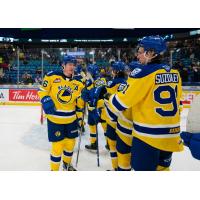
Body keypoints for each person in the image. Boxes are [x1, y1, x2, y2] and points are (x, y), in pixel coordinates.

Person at [94, 36, 184, 171]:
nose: (137, 54)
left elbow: (120, 103)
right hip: (171, 135)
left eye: (141, 51)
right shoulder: (175, 73)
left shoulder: (142, 73)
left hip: (148, 137)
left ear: (151, 53)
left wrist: (106, 96)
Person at [38, 55, 84, 171]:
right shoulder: (51, 76)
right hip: (55, 120)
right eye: (69, 64)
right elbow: (42, 91)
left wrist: (84, 101)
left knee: (70, 145)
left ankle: (67, 165)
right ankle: (54, 170)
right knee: (57, 147)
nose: (71, 67)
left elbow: (79, 102)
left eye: (73, 64)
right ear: (63, 65)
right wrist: (46, 100)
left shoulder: (78, 81)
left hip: (71, 119)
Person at [81, 64, 107, 151]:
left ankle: (107, 143)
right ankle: (96, 143)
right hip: (95, 108)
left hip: (98, 108)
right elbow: (86, 96)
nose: (87, 74)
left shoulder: (97, 81)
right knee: (93, 126)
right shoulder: (92, 81)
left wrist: (87, 91)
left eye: (88, 72)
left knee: (102, 126)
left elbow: (94, 94)